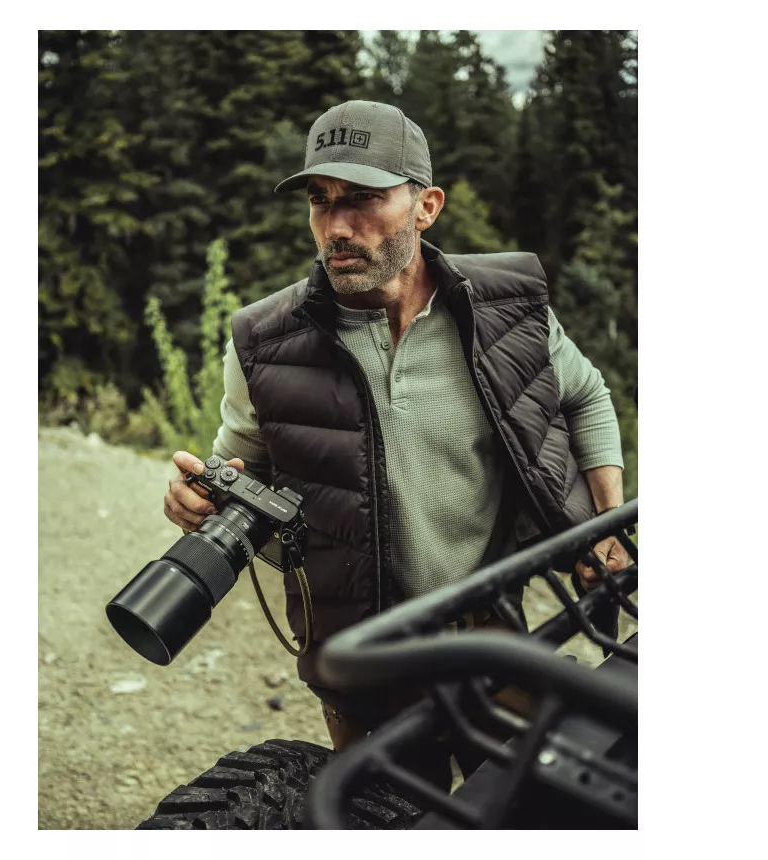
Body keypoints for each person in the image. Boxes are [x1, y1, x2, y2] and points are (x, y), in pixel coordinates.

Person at [162, 100, 628, 761]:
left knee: (524, 798)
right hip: (362, 660)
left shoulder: (504, 310)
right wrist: (199, 503)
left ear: (426, 206)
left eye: (363, 199)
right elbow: (241, 474)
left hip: (494, 635)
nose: (336, 226)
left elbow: (587, 397)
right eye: (321, 201)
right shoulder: (262, 344)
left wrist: (606, 523)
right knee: (385, 809)